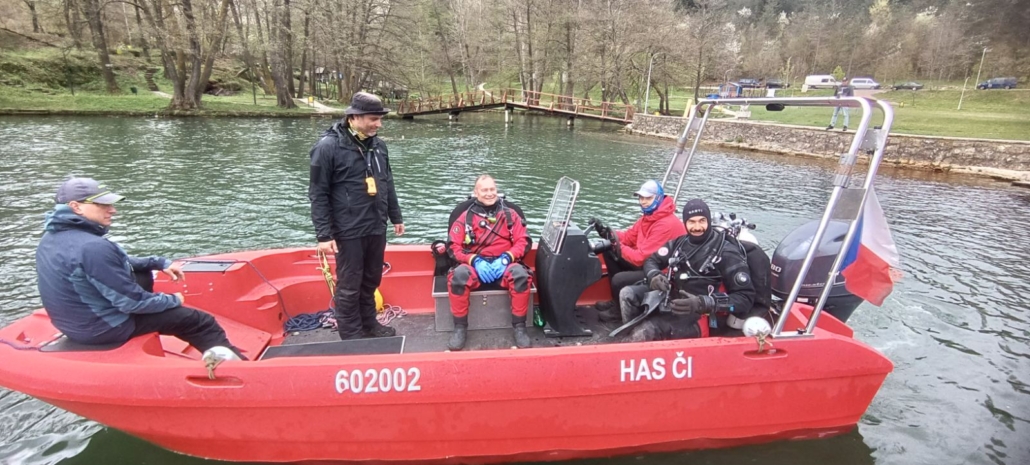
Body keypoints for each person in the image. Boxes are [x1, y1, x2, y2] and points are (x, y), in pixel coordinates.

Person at [35, 177, 244, 358]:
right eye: (102, 205)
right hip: (103, 329)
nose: (112, 210)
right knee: (198, 321)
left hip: (76, 324)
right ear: (76, 207)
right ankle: (236, 367)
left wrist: (157, 262)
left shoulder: (52, 238)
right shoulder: (92, 247)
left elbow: (113, 263)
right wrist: (173, 300)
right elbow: (132, 303)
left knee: (141, 274)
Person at [309, 92, 405, 340]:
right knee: (350, 284)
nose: (378, 124)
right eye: (373, 119)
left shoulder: (379, 146)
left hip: (376, 225)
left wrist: (395, 216)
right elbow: (318, 193)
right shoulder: (327, 147)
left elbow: (387, 182)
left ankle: (369, 323)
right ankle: (351, 334)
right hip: (347, 229)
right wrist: (323, 235)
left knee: (371, 279)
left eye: (380, 119)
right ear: (354, 117)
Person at [617, 199, 756, 342]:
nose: (697, 227)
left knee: (645, 332)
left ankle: (637, 343)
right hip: (671, 298)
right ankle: (632, 337)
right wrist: (654, 275)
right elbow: (652, 260)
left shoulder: (726, 253)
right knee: (627, 294)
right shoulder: (680, 243)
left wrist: (704, 303)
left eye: (702, 221)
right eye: (692, 222)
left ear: (708, 221)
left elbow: (745, 298)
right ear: (685, 223)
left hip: (699, 315)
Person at [446, 175, 532, 350]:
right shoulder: (465, 216)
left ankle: (520, 328)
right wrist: (473, 260)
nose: (489, 193)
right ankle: (460, 328)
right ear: (476, 192)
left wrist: (507, 257)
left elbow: (523, 241)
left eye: (492, 189)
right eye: (484, 190)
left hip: (504, 265)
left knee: (520, 275)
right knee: (459, 276)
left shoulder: (511, 214)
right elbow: (453, 247)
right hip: (476, 268)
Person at [589, 180, 685, 323]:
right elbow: (628, 237)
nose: (643, 202)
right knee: (609, 252)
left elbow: (640, 258)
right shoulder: (648, 217)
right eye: (641, 198)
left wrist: (615, 244)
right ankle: (616, 301)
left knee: (619, 279)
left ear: (658, 198)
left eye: (648, 198)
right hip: (648, 263)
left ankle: (619, 312)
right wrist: (606, 232)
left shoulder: (665, 224)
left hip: (661, 273)